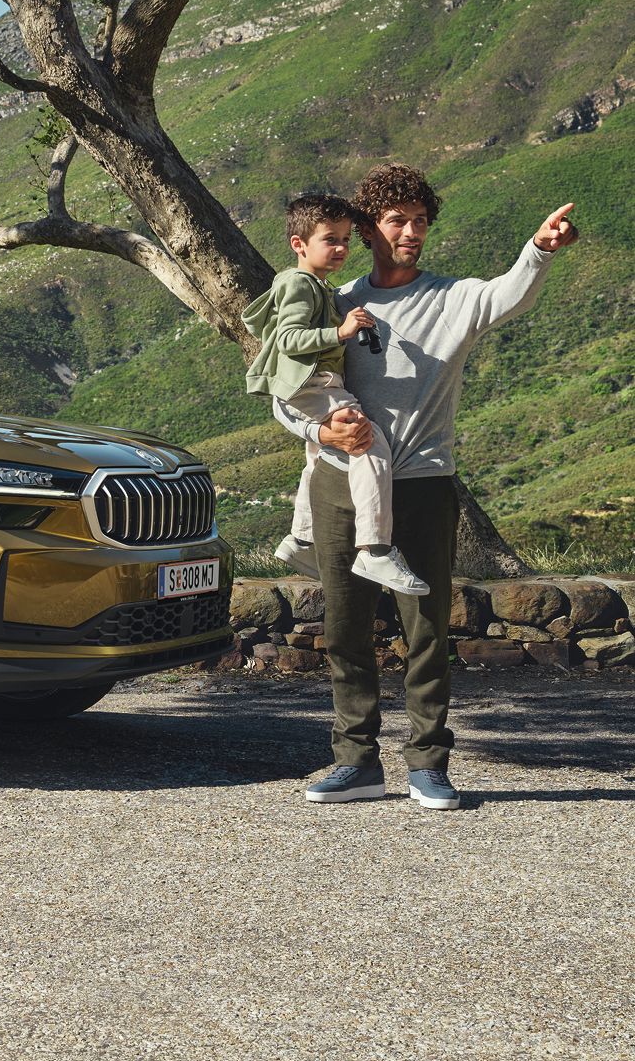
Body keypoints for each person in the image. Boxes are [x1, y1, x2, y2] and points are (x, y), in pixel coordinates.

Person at [268, 164, 578, 812]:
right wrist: (324, 433)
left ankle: (428, 765)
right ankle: (354, 762)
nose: (411, 232)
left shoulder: (453, 297)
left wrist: (538, 252)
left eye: (420, 221)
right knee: (347, 627)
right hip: (338, 484)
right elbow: (286, 389)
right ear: (368, 229)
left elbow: (506, 295)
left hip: (424, 485)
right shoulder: (337, 302)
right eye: (397, 221)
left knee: (428, 630)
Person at [242, 192, 427, 596]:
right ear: (299, 244)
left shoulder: (316, 285)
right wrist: (341, 332)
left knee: (320, 456)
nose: (342, 248)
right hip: (315, 383)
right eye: (331, 239)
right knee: (370, 444)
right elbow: (290, 338)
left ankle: (299, 541)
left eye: (345, 238)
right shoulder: (300, 284)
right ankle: (375, 549)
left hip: (313, 382)